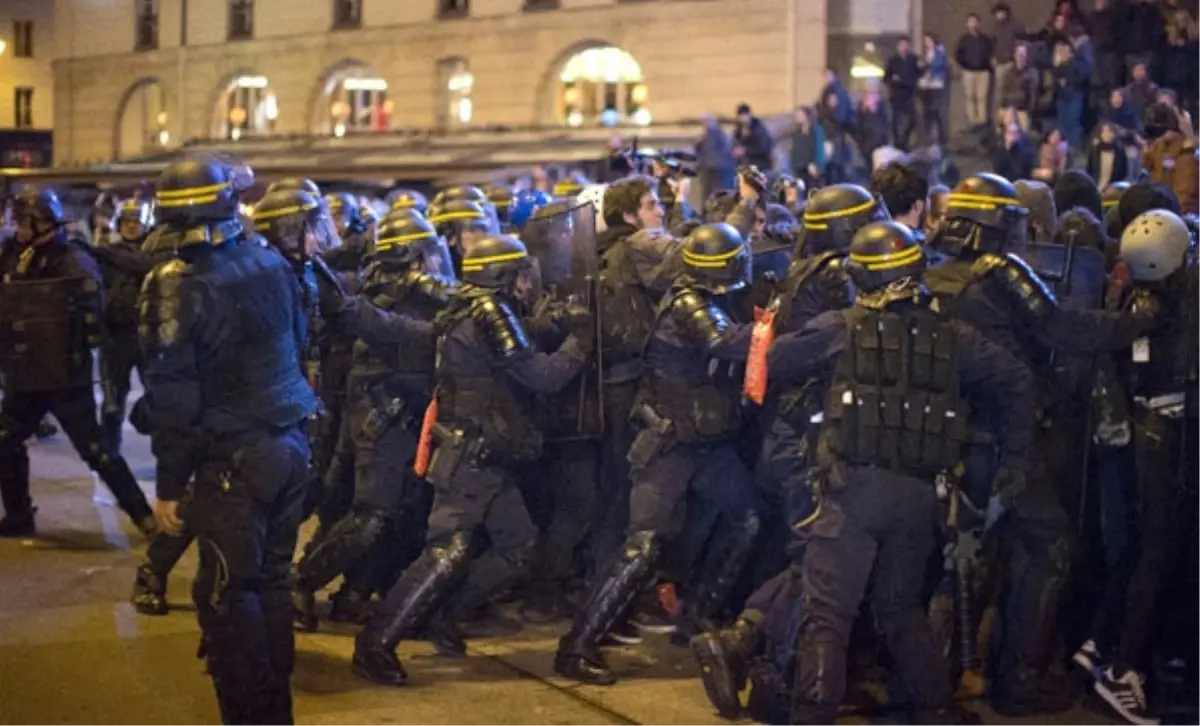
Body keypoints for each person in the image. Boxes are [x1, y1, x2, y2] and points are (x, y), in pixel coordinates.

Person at [770, 219, 1033, 726]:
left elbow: (777, 359)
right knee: (900, 609)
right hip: (920, 496)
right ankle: (937, 712)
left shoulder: (841, 327)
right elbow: (1016, 381)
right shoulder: (955, 334)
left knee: (828, 617)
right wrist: (1015, 463)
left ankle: (812, 716)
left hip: (853, 493)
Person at [352, 234, 594, 686]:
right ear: (504, 277)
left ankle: (445, 615)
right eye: (521, 275)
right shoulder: (489, 313)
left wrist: (555, 321)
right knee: (448, 550)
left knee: (518, 546)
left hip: (485, 455)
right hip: (472, 458)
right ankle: (375, 643)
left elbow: (514, 346)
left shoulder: (473, 307)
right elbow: (542, 376)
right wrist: (579, 341)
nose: (528, 282)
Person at [131, 154, 318, 724]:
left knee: (226, 600)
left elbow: (175, 397)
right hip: (290, 445)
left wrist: (167, 485)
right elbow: (300, 340)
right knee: (272, 586)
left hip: (233, 463)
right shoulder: (269, 262)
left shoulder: (176, 283)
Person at [555, 222, 762, 686]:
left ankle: (696, 618)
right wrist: (780, 327)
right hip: (670, 444)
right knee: (642, 544)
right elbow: (727, 342)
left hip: (705, 443)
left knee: (747, 515)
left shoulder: (706, 297)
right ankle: (576, 646)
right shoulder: (689, 303)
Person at [291, 212, 452, 631]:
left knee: (399, 512)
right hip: (384, 413)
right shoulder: (392, 296)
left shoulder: (400, 291)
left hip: (397, 412)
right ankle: (300, 583)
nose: (436, 263)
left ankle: (355, 593)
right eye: (427, 254)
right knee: (373, 513)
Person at [0, 187, 155, 538]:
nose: (18, 228)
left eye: (24, 221)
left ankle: (143, 515)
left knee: (98, 452)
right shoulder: (15, 257)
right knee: (5, 442)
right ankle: (19, 514)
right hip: (25, 377)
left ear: (41, 223)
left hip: (64, 378)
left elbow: (90, 317)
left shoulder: (72, 260)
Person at [93, 198, 157, 451]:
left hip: (147, 335)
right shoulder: (107, 255)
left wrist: (107, 254)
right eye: (127, 222)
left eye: (136, 222)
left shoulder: (153, 252)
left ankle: (166, 451)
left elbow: (144, 265)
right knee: (112, 400)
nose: (132, 227)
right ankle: (109, 451)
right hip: (114, 335)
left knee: (159, 396)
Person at [1141, 101, 1198, 213]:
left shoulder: (1186, 155)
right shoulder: (1158, 148)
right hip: (1162, 212)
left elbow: (1185, 196)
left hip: (1175, 216)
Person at [957, 13, 995, 130]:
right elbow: (958, 55)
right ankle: (972, 123)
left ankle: (982, 122)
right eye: (970, 22)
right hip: (968, 72)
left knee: (982, 97)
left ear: (979, 23)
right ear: (967, 24)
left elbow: (990, 53)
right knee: (970, 97)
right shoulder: (963, 40)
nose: (973, 24)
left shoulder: (985, 39)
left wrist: (988, 65)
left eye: (975, 21)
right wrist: (964, 65)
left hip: (983, 72)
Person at [1053, 41, 1089, 152]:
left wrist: (1067, 81)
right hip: (1062, 98)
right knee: (1062, 124)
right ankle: (1063, 149)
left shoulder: (1078, 64)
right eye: (1061, 51)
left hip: (1074, 98)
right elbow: (1056, 80)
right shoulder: (1059, 66)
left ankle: (1073, 149)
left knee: (1073, 124)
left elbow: (1082, 78)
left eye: (1065, 51)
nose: (1063, 53)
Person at [885, 38, 921, 150]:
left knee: (913, 119)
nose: (903, 47)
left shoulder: (913, 59)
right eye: (901, 45)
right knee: (896, 119)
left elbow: (918, 73)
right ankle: (897, 142)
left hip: (909, 93)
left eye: (905, 45)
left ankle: (904, 139)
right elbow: (886, 77)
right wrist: (893, 80)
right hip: (897, 94)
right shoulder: (893, 60)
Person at [992, 3, 1026, 121]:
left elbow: (1023, 39)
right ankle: (999, 118)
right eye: (997, 13)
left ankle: (1015, 117)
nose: (999, 15)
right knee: (999, 91)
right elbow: (992, 44)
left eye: (1001, 13)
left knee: (1013, 90)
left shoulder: (1015, 26)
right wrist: (993, 57)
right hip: (999, 64)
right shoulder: (995, 28)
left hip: (1011, 63)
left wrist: (1017, 57)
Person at [696, 113, 737, 204]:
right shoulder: (719, 134)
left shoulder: (712, 134)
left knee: (711, 195)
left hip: (713, 169)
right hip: (717, 168)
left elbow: (707, 152)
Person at [919, 33, 950, 146]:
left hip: (937, 85)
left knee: (939, 113)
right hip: (926, 87)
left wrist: (931, 71)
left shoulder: (940, 53)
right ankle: (928, 138)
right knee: (927, 113)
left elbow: (942, 66)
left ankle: (942, 139)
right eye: (925, 41)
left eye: (928, 40)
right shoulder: (924, 55)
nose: (926, 43)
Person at [999, 43, 1038, 131]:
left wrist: (1029, 110)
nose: (1020, 57)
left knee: (1023, 132)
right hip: (1009, 108)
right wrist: (1003, 106)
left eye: (1023, 54)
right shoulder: (1008, 73)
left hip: (1023, 109)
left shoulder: (1031, 74)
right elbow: (1004, 90)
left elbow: (1033, 95)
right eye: (1018, 54)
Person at [789, 106, 827, 189]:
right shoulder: (796, 133)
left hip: (811, 168)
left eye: (800, 114)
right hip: (800, 168)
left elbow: (819, 148)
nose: (797, 116)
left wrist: (817, 165)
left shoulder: (815, 130)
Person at [1125, 0, 1166, 76]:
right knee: (1131, 84)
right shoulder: (1128, 9)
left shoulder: (1154, 10)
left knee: (1148, 82)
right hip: (1130, 52)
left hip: (1148, 53)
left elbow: (1159, 30)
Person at [855, 82, 891, 163]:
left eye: (872, 93)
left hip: (879, 144)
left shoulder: (882, 106)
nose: (870, 96)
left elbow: (885, 125)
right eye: (868, 93)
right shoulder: (861, 107)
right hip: (866, 145)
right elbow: (859, 126)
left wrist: (873, 111)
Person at [1088, 122, 1131, 190]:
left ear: (1113, 134)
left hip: (1113, 188)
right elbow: (1090, 169)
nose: (1106, 134)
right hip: (1097, 186)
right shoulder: (1095, 149)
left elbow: (1124, 171)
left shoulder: (1119, 150)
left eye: (1109, 131)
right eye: (1103, 131)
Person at [733, 103, 774, 171]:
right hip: (746, 165)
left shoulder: (758, 129)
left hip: (760, 165)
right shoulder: (739, 130)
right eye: (741, 116)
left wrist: (745, 151)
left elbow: (764, 148)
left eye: (744, 115)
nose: (743, 118)